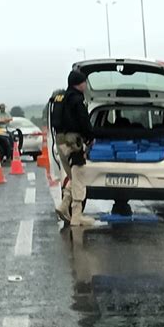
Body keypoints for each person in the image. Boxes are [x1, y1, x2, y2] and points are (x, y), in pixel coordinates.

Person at [52, 70, 95, 226]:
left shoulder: (60, 98)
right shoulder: (77, 100)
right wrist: (90, 137)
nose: (86, 84)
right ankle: (77, 215)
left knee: (73, 176)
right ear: (80, 83)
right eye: (84, 82)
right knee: (79, 176)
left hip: (60, 140)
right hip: (73, 141)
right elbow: (84, 122)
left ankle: (64, 206)